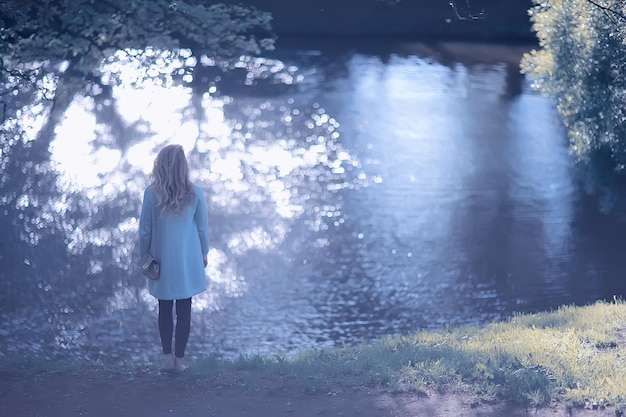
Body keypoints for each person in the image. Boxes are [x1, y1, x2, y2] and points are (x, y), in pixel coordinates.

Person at [138, 144, 209, 373]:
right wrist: (204, 253)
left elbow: (145, 230)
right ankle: (180, 360)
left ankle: (167, 357)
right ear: (183, 166)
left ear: (161, 164)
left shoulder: (152, 192)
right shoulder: (195, 193)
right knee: (185, 308)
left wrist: (144, 256)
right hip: (188, 259)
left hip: (163, 259)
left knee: (164, 307)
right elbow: (202, 229)